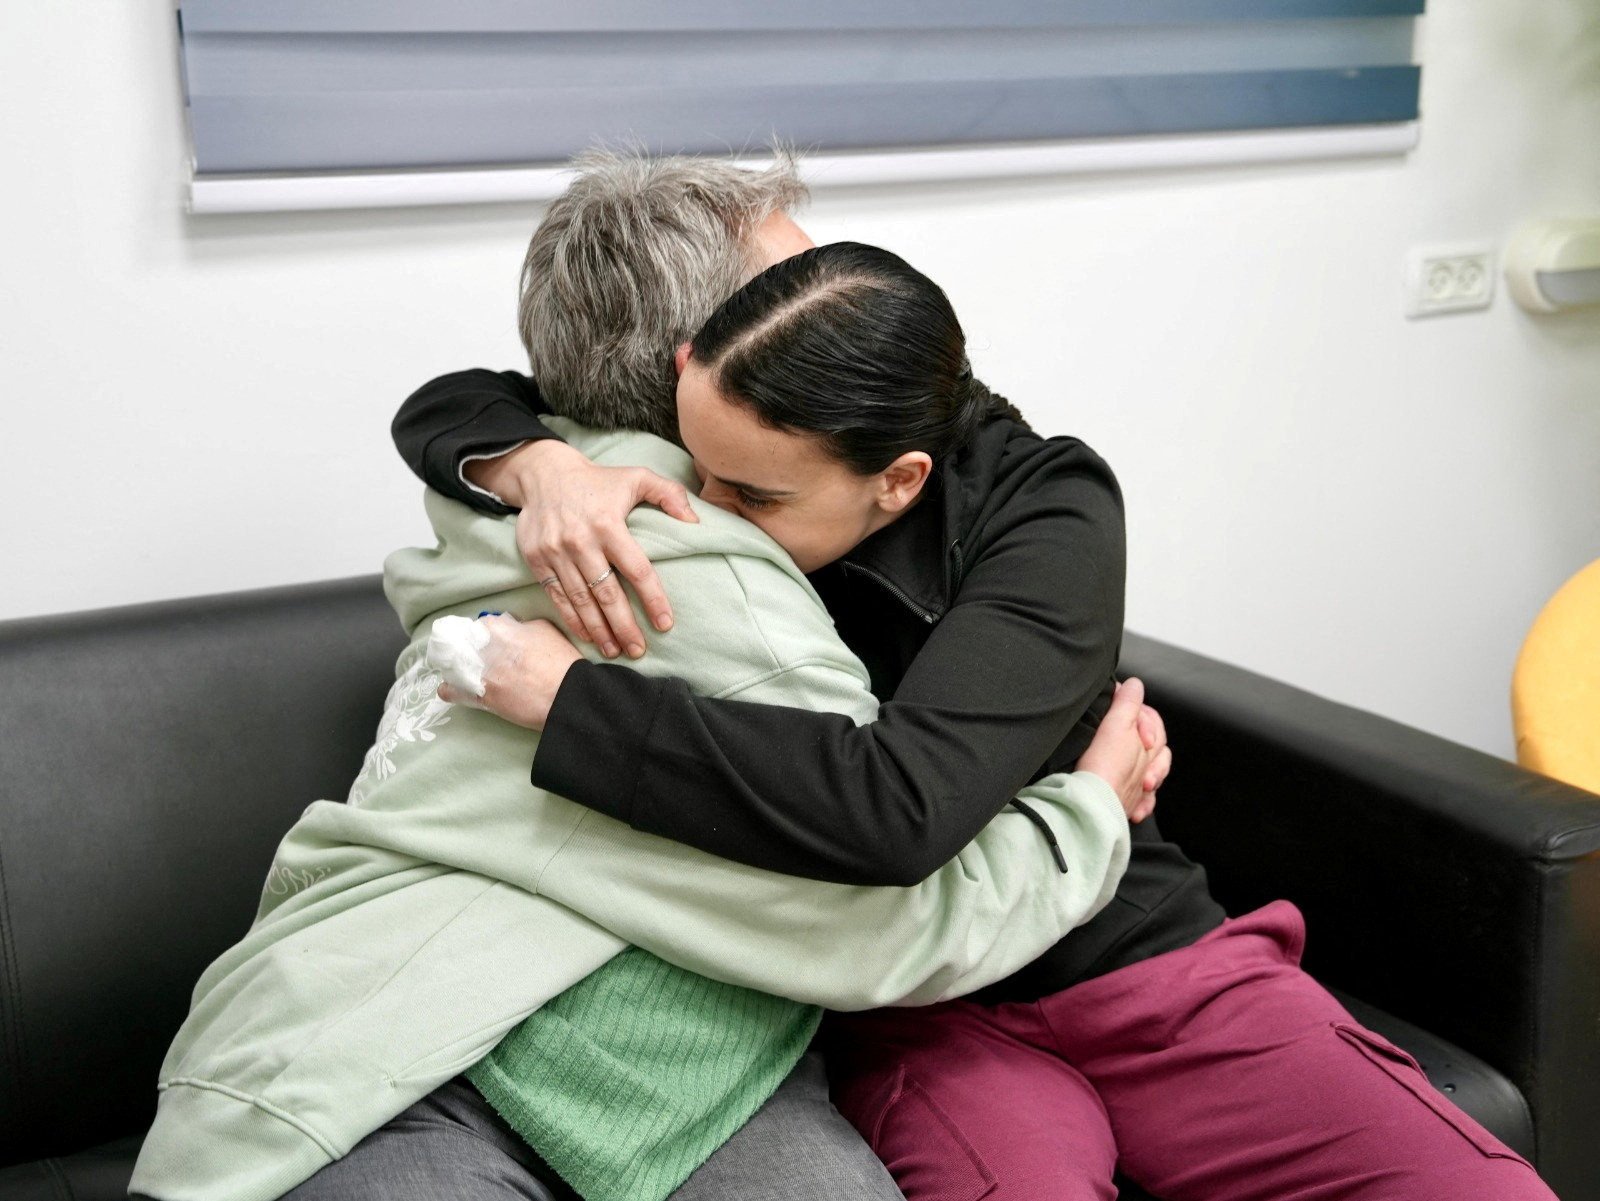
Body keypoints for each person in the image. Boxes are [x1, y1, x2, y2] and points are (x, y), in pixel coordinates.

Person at [397, 173, 1559, 1199]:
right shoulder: (695, 474)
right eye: (780, 282)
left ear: (894, 477)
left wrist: (568, 702)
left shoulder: (1035, 500)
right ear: (688, 367)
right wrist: (535, 461)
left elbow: (897, 807)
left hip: (1137, 957)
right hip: (926, 1006)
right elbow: (455, 397)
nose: (706, 503)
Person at [128, 154, 1159, 1201]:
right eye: (781, 292)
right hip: (423, 1049)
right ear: (701, 358)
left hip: (571, 1043)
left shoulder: (529, 483)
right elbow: (882, 899)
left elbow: (458, 404)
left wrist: (529, 465)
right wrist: (1088, 812)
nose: (822, 304)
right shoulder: (692, 572)